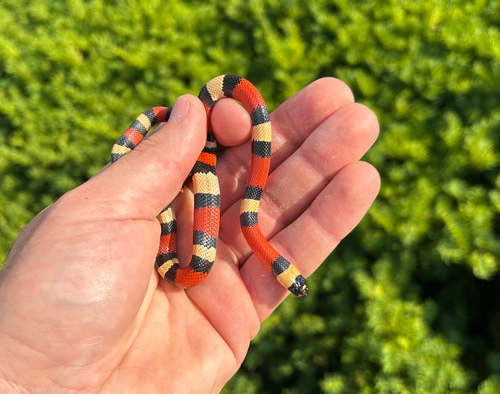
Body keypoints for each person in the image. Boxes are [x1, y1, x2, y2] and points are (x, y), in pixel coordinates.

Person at [0, 78, 380, 393]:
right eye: (294, 280)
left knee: (247, 215)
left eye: (291, 283)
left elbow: (249, 219)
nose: (293, 284)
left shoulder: (250, 230)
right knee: (240, 212)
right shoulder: (240, 239)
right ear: (281, 267)